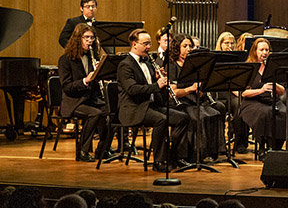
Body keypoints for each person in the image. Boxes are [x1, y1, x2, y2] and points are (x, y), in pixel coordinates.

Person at [117, 29, 188, 172]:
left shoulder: (148, 62)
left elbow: (152, 87)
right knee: (161, 120)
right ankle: (159, 161)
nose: (149, 47)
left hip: (150, 105)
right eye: (145, 44)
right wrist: (157, 85)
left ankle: (174, 155)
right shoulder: (125, 65)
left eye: (149, 44)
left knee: (182, 118)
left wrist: (158, 79)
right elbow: (133, 90)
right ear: (134, 44)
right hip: (133, 108)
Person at [168, 34, 226, 162]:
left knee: (215, 114)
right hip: (180, 103)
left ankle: (210, 153)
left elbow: (199, 89)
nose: (188, 49)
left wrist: (200, 90)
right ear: (177, 48)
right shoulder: (172, 66)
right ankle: (193, 155)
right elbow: (173, 92)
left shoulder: (194, 66)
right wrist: (190, 89)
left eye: (190, 46)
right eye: (185, 46)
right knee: (198, 117)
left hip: (195, 101)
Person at [58, 23, 109, 161]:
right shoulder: (65, 60)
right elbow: (67, 87)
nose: (89, 41)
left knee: (111, 112)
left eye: (92, 38)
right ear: (77, 39)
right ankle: (82, 151)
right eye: (86, 37)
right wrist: (86, 80)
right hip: (74, 102)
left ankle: (102, 149)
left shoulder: (93, 57)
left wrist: (102, 76)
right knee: (95, 114)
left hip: (91, 99)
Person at [238, 37, 288, 152]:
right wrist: (261, 90)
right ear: (255, 51)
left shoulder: (273, 68)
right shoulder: (249, 67)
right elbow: (244, 93)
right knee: (266, 114)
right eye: (261, 50)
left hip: (271, 101)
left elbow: (281, 91)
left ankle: (276, 148)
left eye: (267, 50)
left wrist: (274, 83)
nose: (264, 53)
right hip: (252, 102)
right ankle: (263, 148)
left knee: (284, 113)